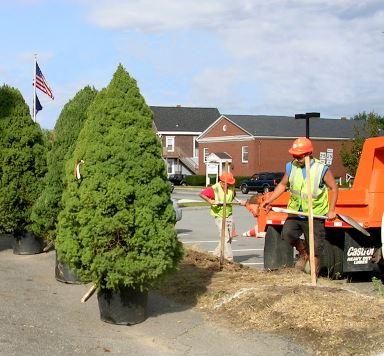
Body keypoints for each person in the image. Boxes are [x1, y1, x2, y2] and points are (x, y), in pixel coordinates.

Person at [260, 137, 338, 275]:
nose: (296, 158)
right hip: (296, 212)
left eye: (299, 156)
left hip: (315, 214)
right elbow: (283, 185)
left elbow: (334, 188)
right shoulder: (291, 166)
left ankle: (313, 278)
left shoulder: (321, 169)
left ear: (308, 154)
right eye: (294, 155)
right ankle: (303, 253)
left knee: (315, 248)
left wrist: (331, 210)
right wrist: (270, 200)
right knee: (287, 234)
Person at [199, 172, 246, 261]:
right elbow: (201, 194)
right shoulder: (215, 188)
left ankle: (214, 257)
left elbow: (233, 196)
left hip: (228, 214)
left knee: (228, 238)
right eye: (228, 183)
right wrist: (210, 201)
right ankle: (229, 259)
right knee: (225, 238)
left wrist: (239, 201)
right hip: (219, 215)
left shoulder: (230, 187)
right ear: (222, 182)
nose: (230, 185)